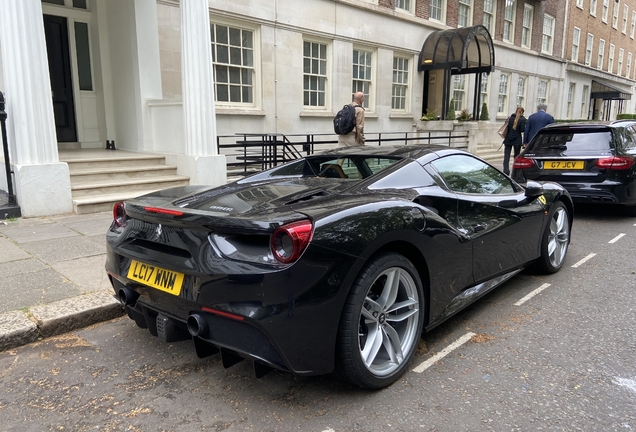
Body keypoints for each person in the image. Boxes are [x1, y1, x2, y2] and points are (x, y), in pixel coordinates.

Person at [502, 107, 526, 175]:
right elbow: (522, 130)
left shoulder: (510, 118)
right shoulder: (522, 119)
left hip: (508, 138)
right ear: (522, 112)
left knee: (506, 156)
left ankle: (506, 171)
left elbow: (507, 127)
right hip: (517, 139)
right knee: (516, 156)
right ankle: (515, 171)